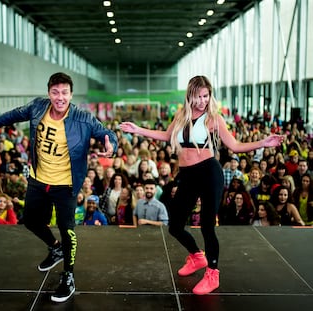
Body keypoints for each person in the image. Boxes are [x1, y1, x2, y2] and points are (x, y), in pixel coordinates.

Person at [120, 75, 284, 295]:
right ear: (190, 95)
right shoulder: (181, 115)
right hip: (187, 174)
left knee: (207, 225)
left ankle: (213, 273)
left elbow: (234, 145)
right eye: (198, 96)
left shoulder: (213, 118)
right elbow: (167, 135)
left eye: (206, 96)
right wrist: (138, 130)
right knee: (175, 226)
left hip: (209, 172)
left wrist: (263, 142)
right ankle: (197, 257)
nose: (202, 101)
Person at [0, 72, 117, 303]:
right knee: (31, 221)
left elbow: (106, 133)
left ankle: (68, 276)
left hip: (66, 184)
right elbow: (12, 115)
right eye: (55, 92)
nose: (60, 97)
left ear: (71, 94)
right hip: (38, 179)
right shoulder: (38, 107)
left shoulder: (83, 118)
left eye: (64, 93)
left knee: (66, 227)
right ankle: (55, 248)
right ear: (48, 93)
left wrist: (111, 143)